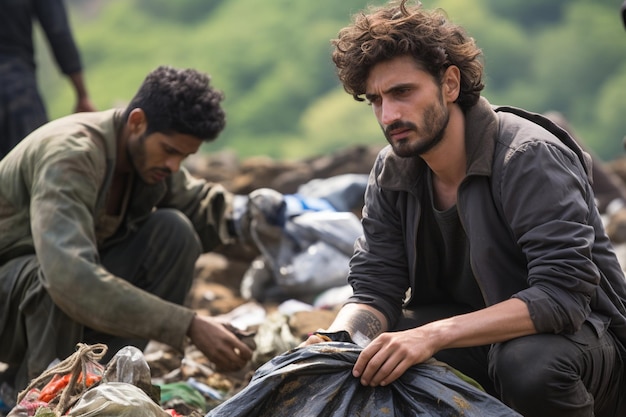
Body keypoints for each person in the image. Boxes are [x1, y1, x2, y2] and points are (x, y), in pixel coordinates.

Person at [303, 1, 626, 416]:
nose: (389, 115)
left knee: (528, 363)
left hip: (585, 354)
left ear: (450, 84)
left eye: (403, 92)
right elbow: (374, 288)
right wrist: (336, 341)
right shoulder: (393, 168)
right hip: (475, 345)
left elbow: (561, 295)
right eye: (376, 100)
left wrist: (433, 335)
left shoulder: (527, 156)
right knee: (366, 358)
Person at [0, 65, 280, 394]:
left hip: (41, 299)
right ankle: (40, 393)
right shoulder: (72, 156)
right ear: (137, 122)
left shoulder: (148, 158)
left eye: (185, 156)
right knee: (53, 278)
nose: (174, 166)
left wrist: (264, 218)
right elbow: (68, 278)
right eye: (170, 151)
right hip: (16, 296)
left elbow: (199, 205)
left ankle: (100, 382)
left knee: (174, 233)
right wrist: (187, 325)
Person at [0, 0, 96, 159]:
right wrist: (82, 95)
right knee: (34, 168)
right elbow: (58, 30)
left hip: (17, 86)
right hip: (18, 92)